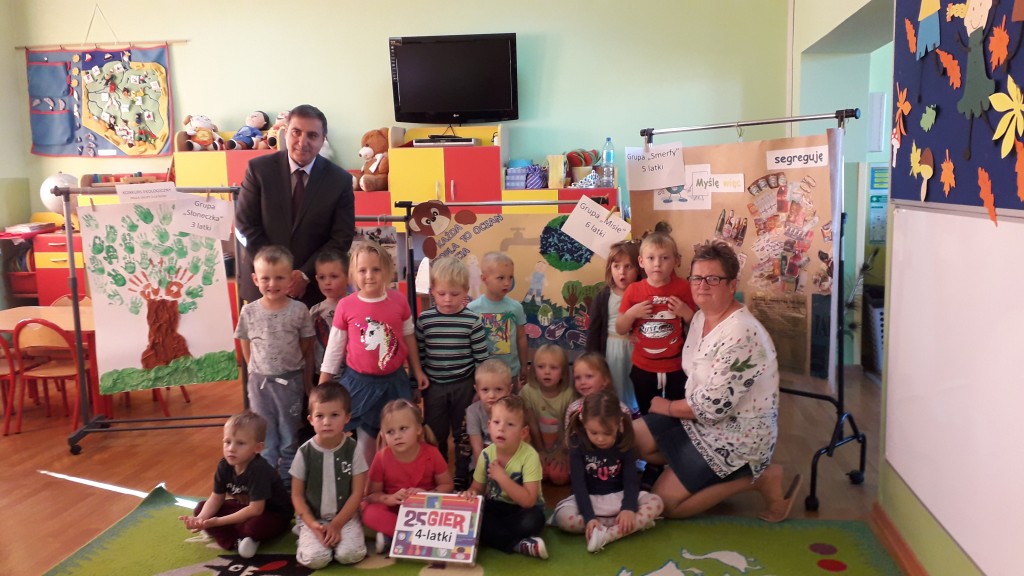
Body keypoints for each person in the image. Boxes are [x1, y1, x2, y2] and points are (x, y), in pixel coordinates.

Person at [633, 240, 802, 521]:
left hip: (737, 435)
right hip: (699, 420)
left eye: (713, 279)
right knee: (629, 439)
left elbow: (711, 408)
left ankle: (759, 478)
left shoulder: (741, 332)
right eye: (697, 278)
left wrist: (667, 407)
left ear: (732, 285)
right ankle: (692, 468)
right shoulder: (700, 317)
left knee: (665, 504)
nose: (702, 285)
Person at [319, 241, 429, 469]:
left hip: (394, 383)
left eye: (376, 269)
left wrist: (417, 371)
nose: (369, 276)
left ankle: (395, 481)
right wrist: (323, 387)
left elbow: (409, 338)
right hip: (359, 385)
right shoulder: (346, 305)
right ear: (353, 273)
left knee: (398, 439)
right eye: (362, 270)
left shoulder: (399, 301)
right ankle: (367, 486)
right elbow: (334, 349)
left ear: (387, 271)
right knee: (366, 443)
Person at [235, 103, 355, 307]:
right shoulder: (259, 170)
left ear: (323, 140)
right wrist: (277, 273)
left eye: (312, 135)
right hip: (263, 286)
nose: (302, 142)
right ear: (285, 133)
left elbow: (341, 238)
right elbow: (245, 224)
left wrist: (304, 275)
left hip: (313, 290)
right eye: (296, 132)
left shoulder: (340, 180)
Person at [234, 245, 315, 483]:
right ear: (255, 279)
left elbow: (306, 343)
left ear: (291, 278)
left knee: (289, 436)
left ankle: (288, 485)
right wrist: (254, 368)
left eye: (280, 278)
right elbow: (245, 341)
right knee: (265, 437)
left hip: (290, 382)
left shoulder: (299, 310)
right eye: (265, 278)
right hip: (259, 384)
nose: (272, 284)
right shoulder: (249, 311)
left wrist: (297, 370)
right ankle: (266, 484)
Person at [550, 390, 664, 553]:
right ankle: (628, 525)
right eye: (594, 432)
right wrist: (589, 517)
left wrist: (628, 508)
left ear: (618, 424)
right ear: (584, 423)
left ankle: (608, 535)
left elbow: (631, 480)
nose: (600, 439)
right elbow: (579, 484)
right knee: (563, 518)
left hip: (619, 497)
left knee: (657, 502)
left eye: (607, 433)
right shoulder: (577, 443)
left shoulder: (624, 441)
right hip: (588, 500)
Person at [179, 410, 293, 559]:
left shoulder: (259, 469)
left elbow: (256, 509)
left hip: (273, 514)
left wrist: (218, 522)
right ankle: (238, 541)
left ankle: (237, 536)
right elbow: (216, 498)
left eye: (240, 443)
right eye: (227, 442)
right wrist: (200, 519)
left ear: (258, 448)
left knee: (252, 527)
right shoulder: (224, 465)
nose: (231, 448)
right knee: (201, 508)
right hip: (245, 508)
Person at [415, 257, 488, 485]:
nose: (448, 299)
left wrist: (480, 389)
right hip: (434, 387)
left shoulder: (472, 321)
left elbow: (481, 360)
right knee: (434, 433)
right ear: (432, 292)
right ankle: (440, 476)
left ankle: (461, 476)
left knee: (463, 433)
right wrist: (416, 384)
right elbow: (419, 355)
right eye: (442, 293)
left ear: (465, 292)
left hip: (464, 386)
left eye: (455, 294)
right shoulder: (425, 320)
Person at [616, 231, 696, 416]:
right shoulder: (634, 290)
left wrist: (686, 313)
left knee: (676, 417)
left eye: (665, 258)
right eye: (651, 258)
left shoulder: (683, 287)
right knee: (647, 415)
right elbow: (620, 328)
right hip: (643, 368)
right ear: (641, 261)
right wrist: (632, 314)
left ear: (676, 260)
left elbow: (697, 327)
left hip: (677, 367)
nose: (657, 264)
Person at [289, 382, 367, 568]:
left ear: (347, 417)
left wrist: (337, 524)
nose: (326, 422)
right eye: (320, 416)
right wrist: (312, 525)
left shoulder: (353, 449)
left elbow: (357, 493)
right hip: (313, 518)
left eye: (334, 415)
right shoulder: (304, 452)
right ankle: (304, 531)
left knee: (350, 555)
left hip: (345, 517)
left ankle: (339, 536)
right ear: (311, 419)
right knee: (316, 559)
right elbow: (297, 495)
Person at [461, 395, 548, 559]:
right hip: (496, 506)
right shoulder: (486, 454)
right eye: (496, 422)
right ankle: (517, 544)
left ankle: (498, 538)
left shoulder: (530, 456)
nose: (501, 429)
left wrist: (502, 477)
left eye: (510, 424)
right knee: (473, 518)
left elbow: (529, 501)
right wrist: (471, 494)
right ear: (489, 426)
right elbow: (477, 487)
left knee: (533, 520)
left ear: (523, 433)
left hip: (523, 510)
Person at [363, 399, 455, 555]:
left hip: (425, 511)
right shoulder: (381, 458)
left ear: (418, 429)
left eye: (403, 429)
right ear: (383, 435)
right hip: (394, 511)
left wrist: (427, 495)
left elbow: (447, 485)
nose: (397, 436)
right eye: (390, 432)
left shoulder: (431, 453)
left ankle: (394, 537)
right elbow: (371, 495)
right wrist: (390, 498)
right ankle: (413, 537)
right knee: (369, 512)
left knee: (452, 508)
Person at [587, 240, 642, 413]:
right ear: (610, 268)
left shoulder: (643, 293)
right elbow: (594, 331)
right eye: (616, 266)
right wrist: (591, 361)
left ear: (639, 268)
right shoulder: (604, 296)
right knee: (614, 387)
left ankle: (635, 416)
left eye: (628, 266)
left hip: (636, 350)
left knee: (635, 388)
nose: (622, 272)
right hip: (612, 349)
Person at [300, 249, 348, 444]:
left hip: (350, 376)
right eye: (322, 277)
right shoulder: (314, 312)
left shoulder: (354, 304)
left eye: (334, 276)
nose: (327, 282)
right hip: (322, 376)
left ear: (347, 276)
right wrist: (307, 382)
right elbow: (309, 350)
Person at [468, 252, 528, 388]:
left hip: (511, 373)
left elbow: (521, 338)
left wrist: (524, 365)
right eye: (500, 278)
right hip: (483, 376)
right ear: (484, 279)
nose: (507, 283)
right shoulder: (472, 309)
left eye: (510, 277)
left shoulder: (516, 307)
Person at [519, 344, 573, 485]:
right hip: (535, 447)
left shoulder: (569, 395)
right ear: (533, 369)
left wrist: (562, 452)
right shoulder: (527, 392)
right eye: (541, 367)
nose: (547, 372)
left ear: (563, 372)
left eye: (553, 368)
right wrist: (540, 451)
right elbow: (531, 424)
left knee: (559, 476)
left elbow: (570, 428)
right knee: (538, 474)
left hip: (562, 448)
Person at [466, 359, 513, 476]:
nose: (491, 395)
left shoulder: (515, 411)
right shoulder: (473, 411)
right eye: (485, 390)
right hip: (481, 467)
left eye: (498, 389)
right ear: (477, 390)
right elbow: (477, 447)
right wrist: (485, 475)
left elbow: (519, 446)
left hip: (510, 467)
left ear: (509, 389)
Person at [564, 351, 633, 429]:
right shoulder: (573, 409)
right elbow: (568, 434)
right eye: (578, 378)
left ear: (605, 379)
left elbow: (627, 435)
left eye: (589, 376)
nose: (582, 382)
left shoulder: (620, 409)